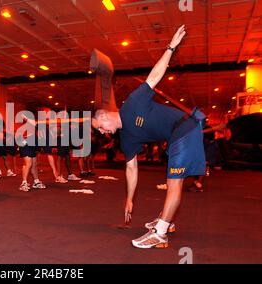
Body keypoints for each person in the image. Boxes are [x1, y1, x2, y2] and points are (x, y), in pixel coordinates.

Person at [92, 26, 206, 249]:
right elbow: (131, 169)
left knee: (174, 183)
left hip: (185, 129)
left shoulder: (132, 104)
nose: (102, 133)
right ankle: (167, 220)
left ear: (105, 115)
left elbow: (155, 75)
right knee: (175, 181)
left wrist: (171, 47)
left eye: (100, 127)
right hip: (177, 137)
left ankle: (160, 232)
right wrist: (129, 198)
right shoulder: (126, 138)